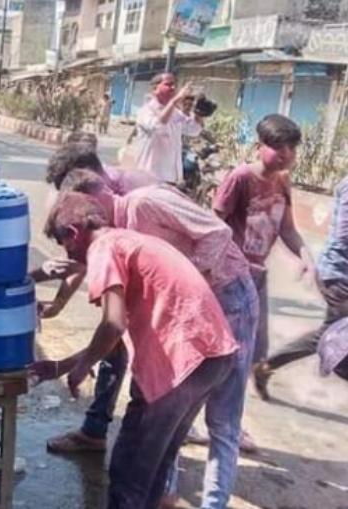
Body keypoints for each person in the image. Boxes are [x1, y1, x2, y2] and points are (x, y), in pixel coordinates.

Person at [49, 174, 258, 509]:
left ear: (74, 234)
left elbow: (113, 325)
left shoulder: (104, 246)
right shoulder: (132, 241)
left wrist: (81, 367)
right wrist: (60, 365)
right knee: (156, 466)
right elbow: (115, 337)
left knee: (129, 469)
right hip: (213, 357)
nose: (73, 257)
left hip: (180, 363)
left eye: (67, 247)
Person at [213, 114, 317, 400]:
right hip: (232, 276)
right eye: (278, 147)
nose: (286, 155)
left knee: (252, 351)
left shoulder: (283, 182)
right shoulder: (241, 177)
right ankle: (215, 417)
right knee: (228, 349)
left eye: (291, 148)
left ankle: (229, 415)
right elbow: (215, 222)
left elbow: (287, 228)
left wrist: (305, 256)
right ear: (260, 146)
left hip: (257, 276)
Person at [254, 174, 348, 396]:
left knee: (334, 334)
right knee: (332, 334)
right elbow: (345, 234)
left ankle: (268, 366)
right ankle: (267, 365)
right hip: (340, 274)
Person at [130, 73, 204, 183]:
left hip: (170, 178)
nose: (173, 88)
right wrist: (175, 101)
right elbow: (158, 126)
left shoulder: (175, 113)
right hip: (149, 177)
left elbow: (194, 130)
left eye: (174, 85)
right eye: (168, 84)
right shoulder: (146, 111)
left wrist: (200, 112)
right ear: (155, 89)